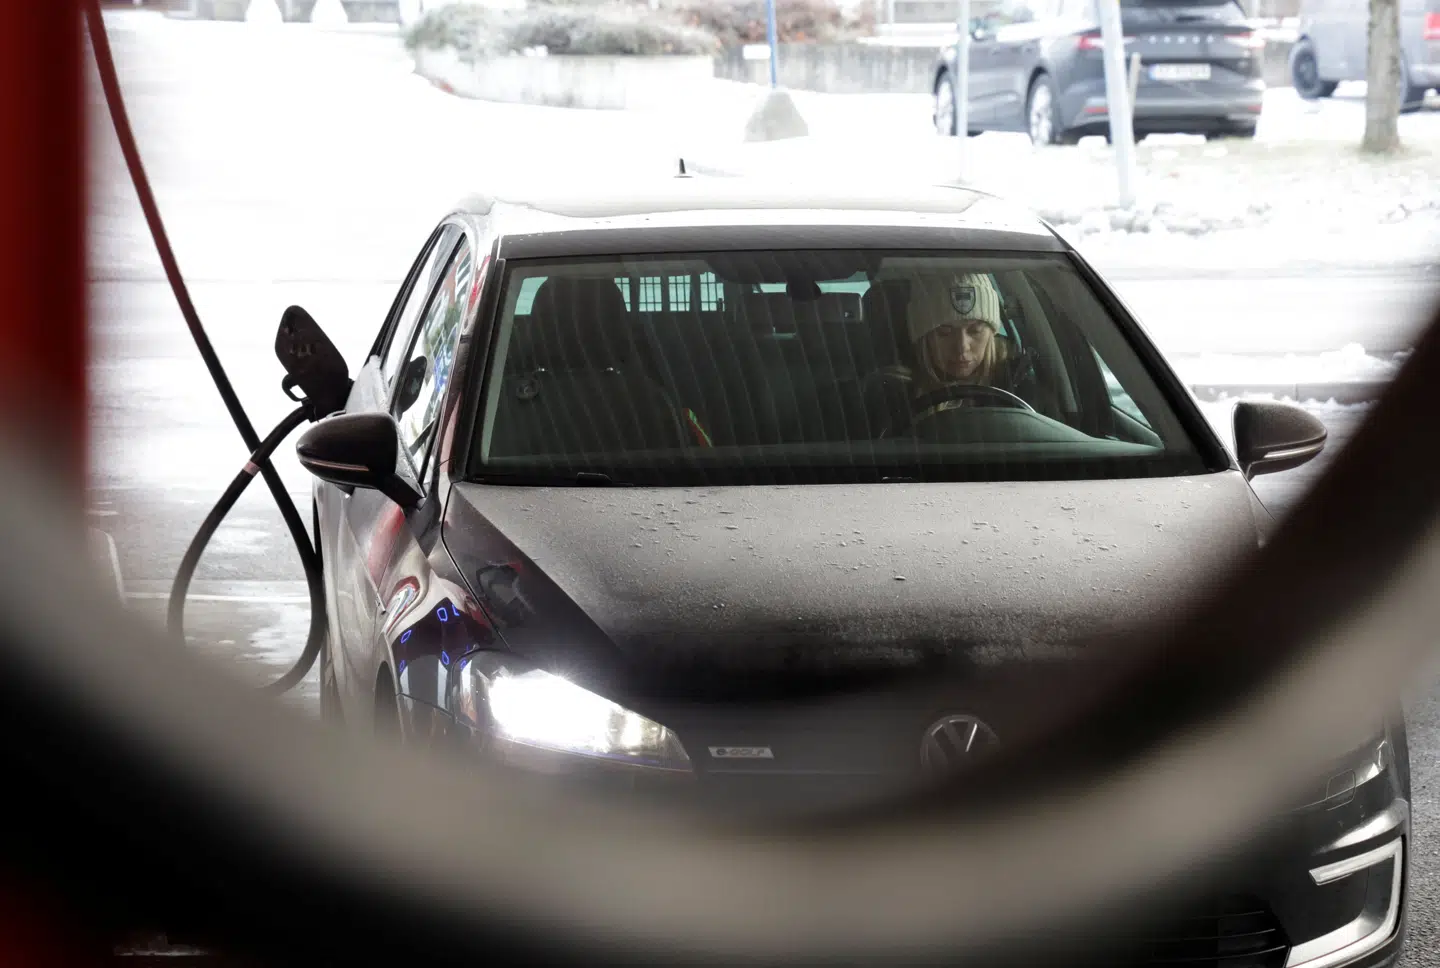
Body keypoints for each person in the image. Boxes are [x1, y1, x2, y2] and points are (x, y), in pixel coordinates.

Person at [867, 272, 1045, 435]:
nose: (961, 347)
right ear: (923, 337)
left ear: (991, 333)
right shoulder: (892, 396)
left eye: (975, 331)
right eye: (944, 332)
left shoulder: (1019, 383)